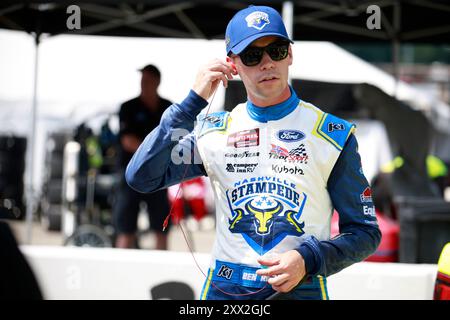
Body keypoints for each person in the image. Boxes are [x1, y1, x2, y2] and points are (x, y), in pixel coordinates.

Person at [126, 6, 381, 300]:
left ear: (290, 55)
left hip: (300, 288)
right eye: (252, 55)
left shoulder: (331, 136)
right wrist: (189, 105)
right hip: (227, 288)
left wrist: (308, 258)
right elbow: (141, 177)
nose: (267, 63)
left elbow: (365, 233)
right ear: (232, 65)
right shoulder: (213, 133)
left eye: (277, 49)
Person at [113, 64, 172, 250]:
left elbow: (176, 139)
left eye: (147, 80)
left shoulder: (168, 108)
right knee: (125, 227)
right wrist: (154, 152)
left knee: (161, 226)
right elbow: (127, 140)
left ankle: (162, 270)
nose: (143, 84)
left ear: (157, 82)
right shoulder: (128, 107)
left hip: (159, 175)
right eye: (142, 80)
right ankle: (120, 267)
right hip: (130, 174)